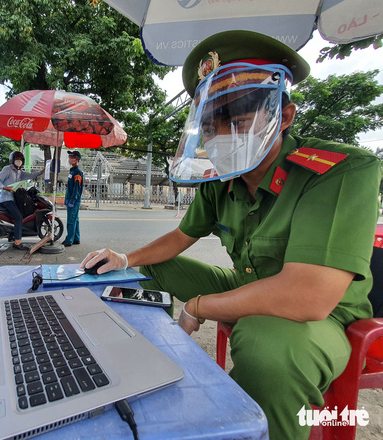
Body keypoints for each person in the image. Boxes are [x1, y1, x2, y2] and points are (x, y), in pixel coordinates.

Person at [81, 30, 380, 439]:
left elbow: (309, 295)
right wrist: (127, 259)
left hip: (325, 318)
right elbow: (179, 238)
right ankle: (145, 371)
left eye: (238, 122)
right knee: (147, 272)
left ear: (285, 116)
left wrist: (200, 305)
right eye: (210, 128)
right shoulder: (221, 180)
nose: (222, 139)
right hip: (247, 285)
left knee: (266, 347)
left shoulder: (338, 171)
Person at [0, 151, 43, 250]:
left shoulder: (20, 172)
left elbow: (31, 175)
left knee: (20, 215)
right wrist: (4, 187)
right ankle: (17, 242)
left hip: (15, 199)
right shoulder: (7, 169)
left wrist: (42, 171)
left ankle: (11, 235)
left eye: (20, 159)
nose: (19, 161)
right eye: (17, 159)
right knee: (19, 217)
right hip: (7, 199)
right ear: (12, 160)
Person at [62, 150, 84, 247]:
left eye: (72, 157)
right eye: (69, 156)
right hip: (71, 199)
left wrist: (72, 200)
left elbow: (76, 189)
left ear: (76, 159)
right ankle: (76, 238)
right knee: (75, 219)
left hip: (74, 201)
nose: (69, 158)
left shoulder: (77, 172)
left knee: (71, 220)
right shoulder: (72, 171)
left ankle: (69, 240)